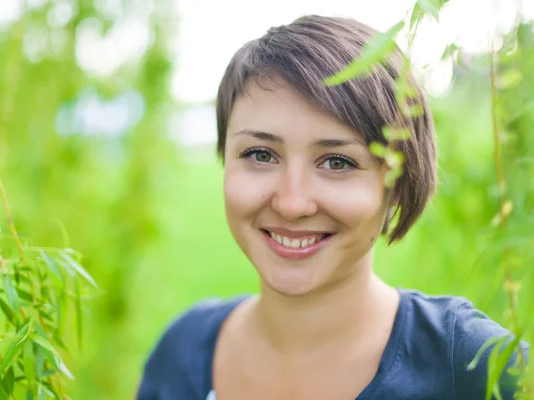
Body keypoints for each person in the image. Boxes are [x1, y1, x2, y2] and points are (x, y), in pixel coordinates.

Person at [136, 15, 529, 400]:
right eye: (260, 154)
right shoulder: (181, 353)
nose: (292, 203)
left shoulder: (473, 367)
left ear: (396, 182)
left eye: (337, 162)